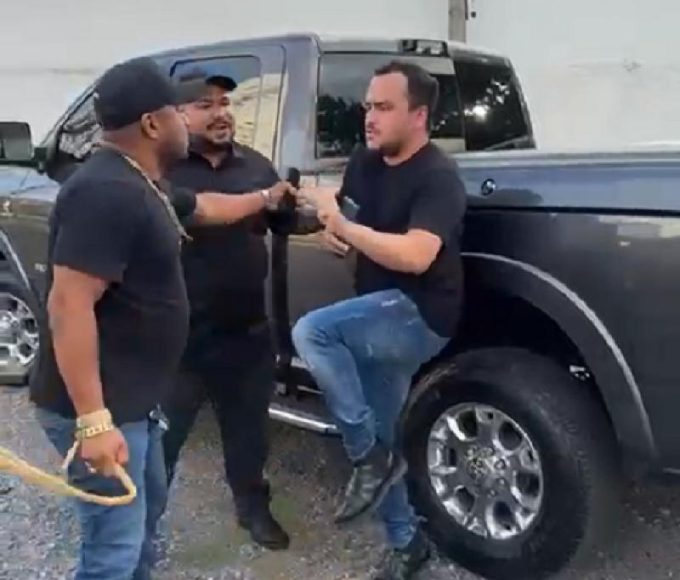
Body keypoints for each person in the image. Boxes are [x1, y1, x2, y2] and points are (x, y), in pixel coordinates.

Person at [29, 57, 292, 580]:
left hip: (135, 399)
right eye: (177, 110)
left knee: (143, 522)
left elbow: (208, 207)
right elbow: (68, 305)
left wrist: (268, 196)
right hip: (104, 408)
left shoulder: (143, 183)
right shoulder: (105, 192)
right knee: (114, 548)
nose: (185, 121)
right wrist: (94, 421)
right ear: (153, 123)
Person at [292, 61, 466, 580]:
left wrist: (343, 225)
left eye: (384, 107)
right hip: (373, 312)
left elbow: (416, 255)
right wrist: (335, 232)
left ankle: (364, 453)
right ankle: (408, 543)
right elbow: (352, 225)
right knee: (386, 442)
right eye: (368, 106)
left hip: (419, 315)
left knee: (313, 332)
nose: (369, 117)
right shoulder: (364, 162)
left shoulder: (438, 177)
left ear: (419, 116)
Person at [161, 69, 290, 550]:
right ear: (178, 115)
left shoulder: (255, 165)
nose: (220, 114)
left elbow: (282, 218)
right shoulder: (162, 170)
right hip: (180, 340)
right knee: (161, 442)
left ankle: (252, 507)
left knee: (248, 434)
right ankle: (138, 527)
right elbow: (200, 210)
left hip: (245, 333)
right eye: (205, 105)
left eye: (224, 104)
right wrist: (263, 199)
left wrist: (317, 217)